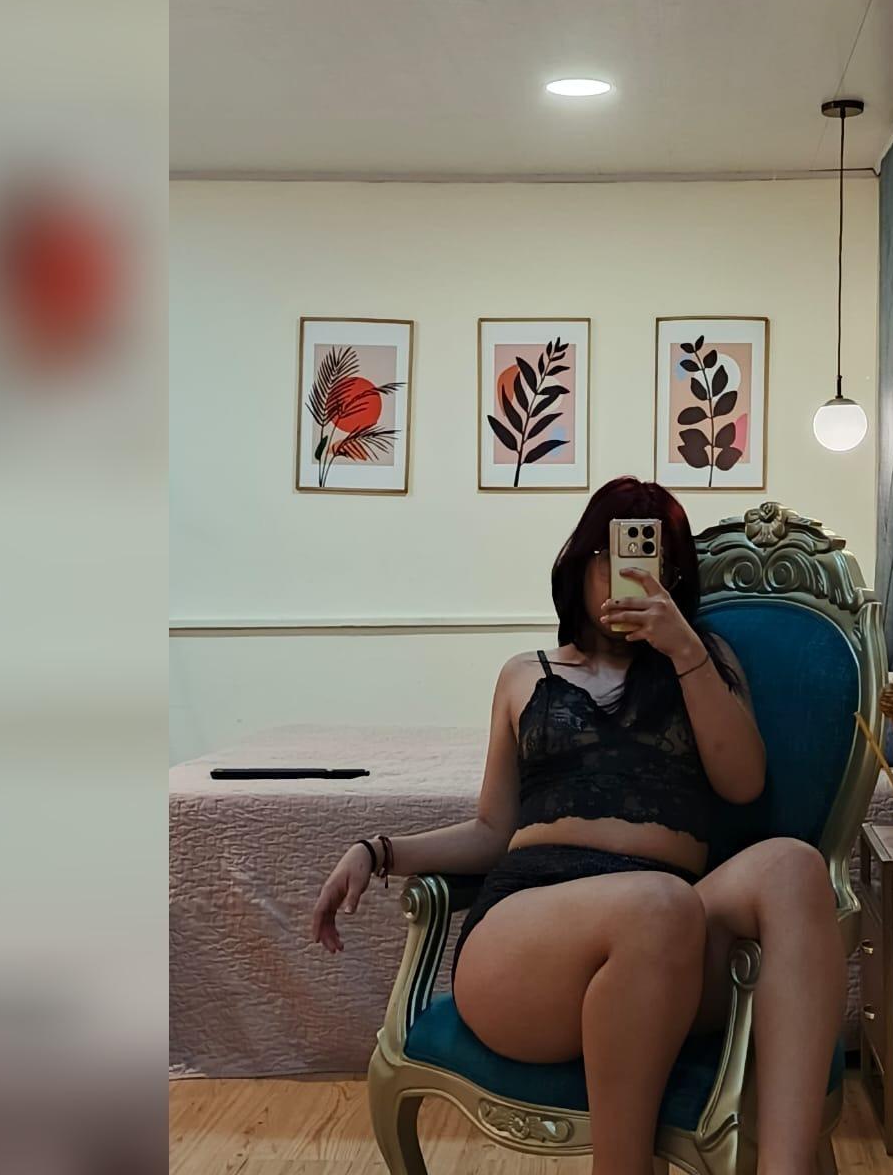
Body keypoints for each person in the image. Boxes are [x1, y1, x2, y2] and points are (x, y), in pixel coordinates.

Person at [311, 476, 844, 1175]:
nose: (630, 574)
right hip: (531, 938)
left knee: (793, 867)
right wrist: (378, 850)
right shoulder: (522, 676)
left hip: (673, 932)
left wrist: (686, 651)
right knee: (656, 904)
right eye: (612, 554)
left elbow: (742, 783)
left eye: (654, 559)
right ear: (582, 561)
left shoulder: (705, 662)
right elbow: (492, 830)